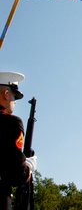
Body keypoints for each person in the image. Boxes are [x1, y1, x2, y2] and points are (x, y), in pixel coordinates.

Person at [0, 72, 37, 210]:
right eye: (14, 97)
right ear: (5, 94)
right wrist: (28, 167)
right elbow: (15, 174)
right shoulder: (11, 123)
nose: (14, 101)